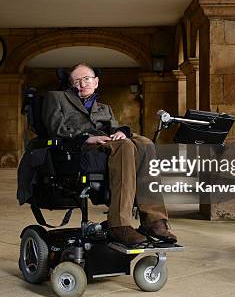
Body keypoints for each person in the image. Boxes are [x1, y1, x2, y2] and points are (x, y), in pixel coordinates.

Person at [42, 63, 177, 246]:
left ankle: (154, 221)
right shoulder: (56, 97)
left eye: (87, 79)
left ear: (96, 82)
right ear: (71, 84)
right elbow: (54, 128)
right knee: (125, 146)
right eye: (77, 81)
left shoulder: (104, 108)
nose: (83, 84)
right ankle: (119, 224)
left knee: (145, 144)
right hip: (79, 147)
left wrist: (121, 131)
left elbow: (113, 127)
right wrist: (85, 138)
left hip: (108, 141)